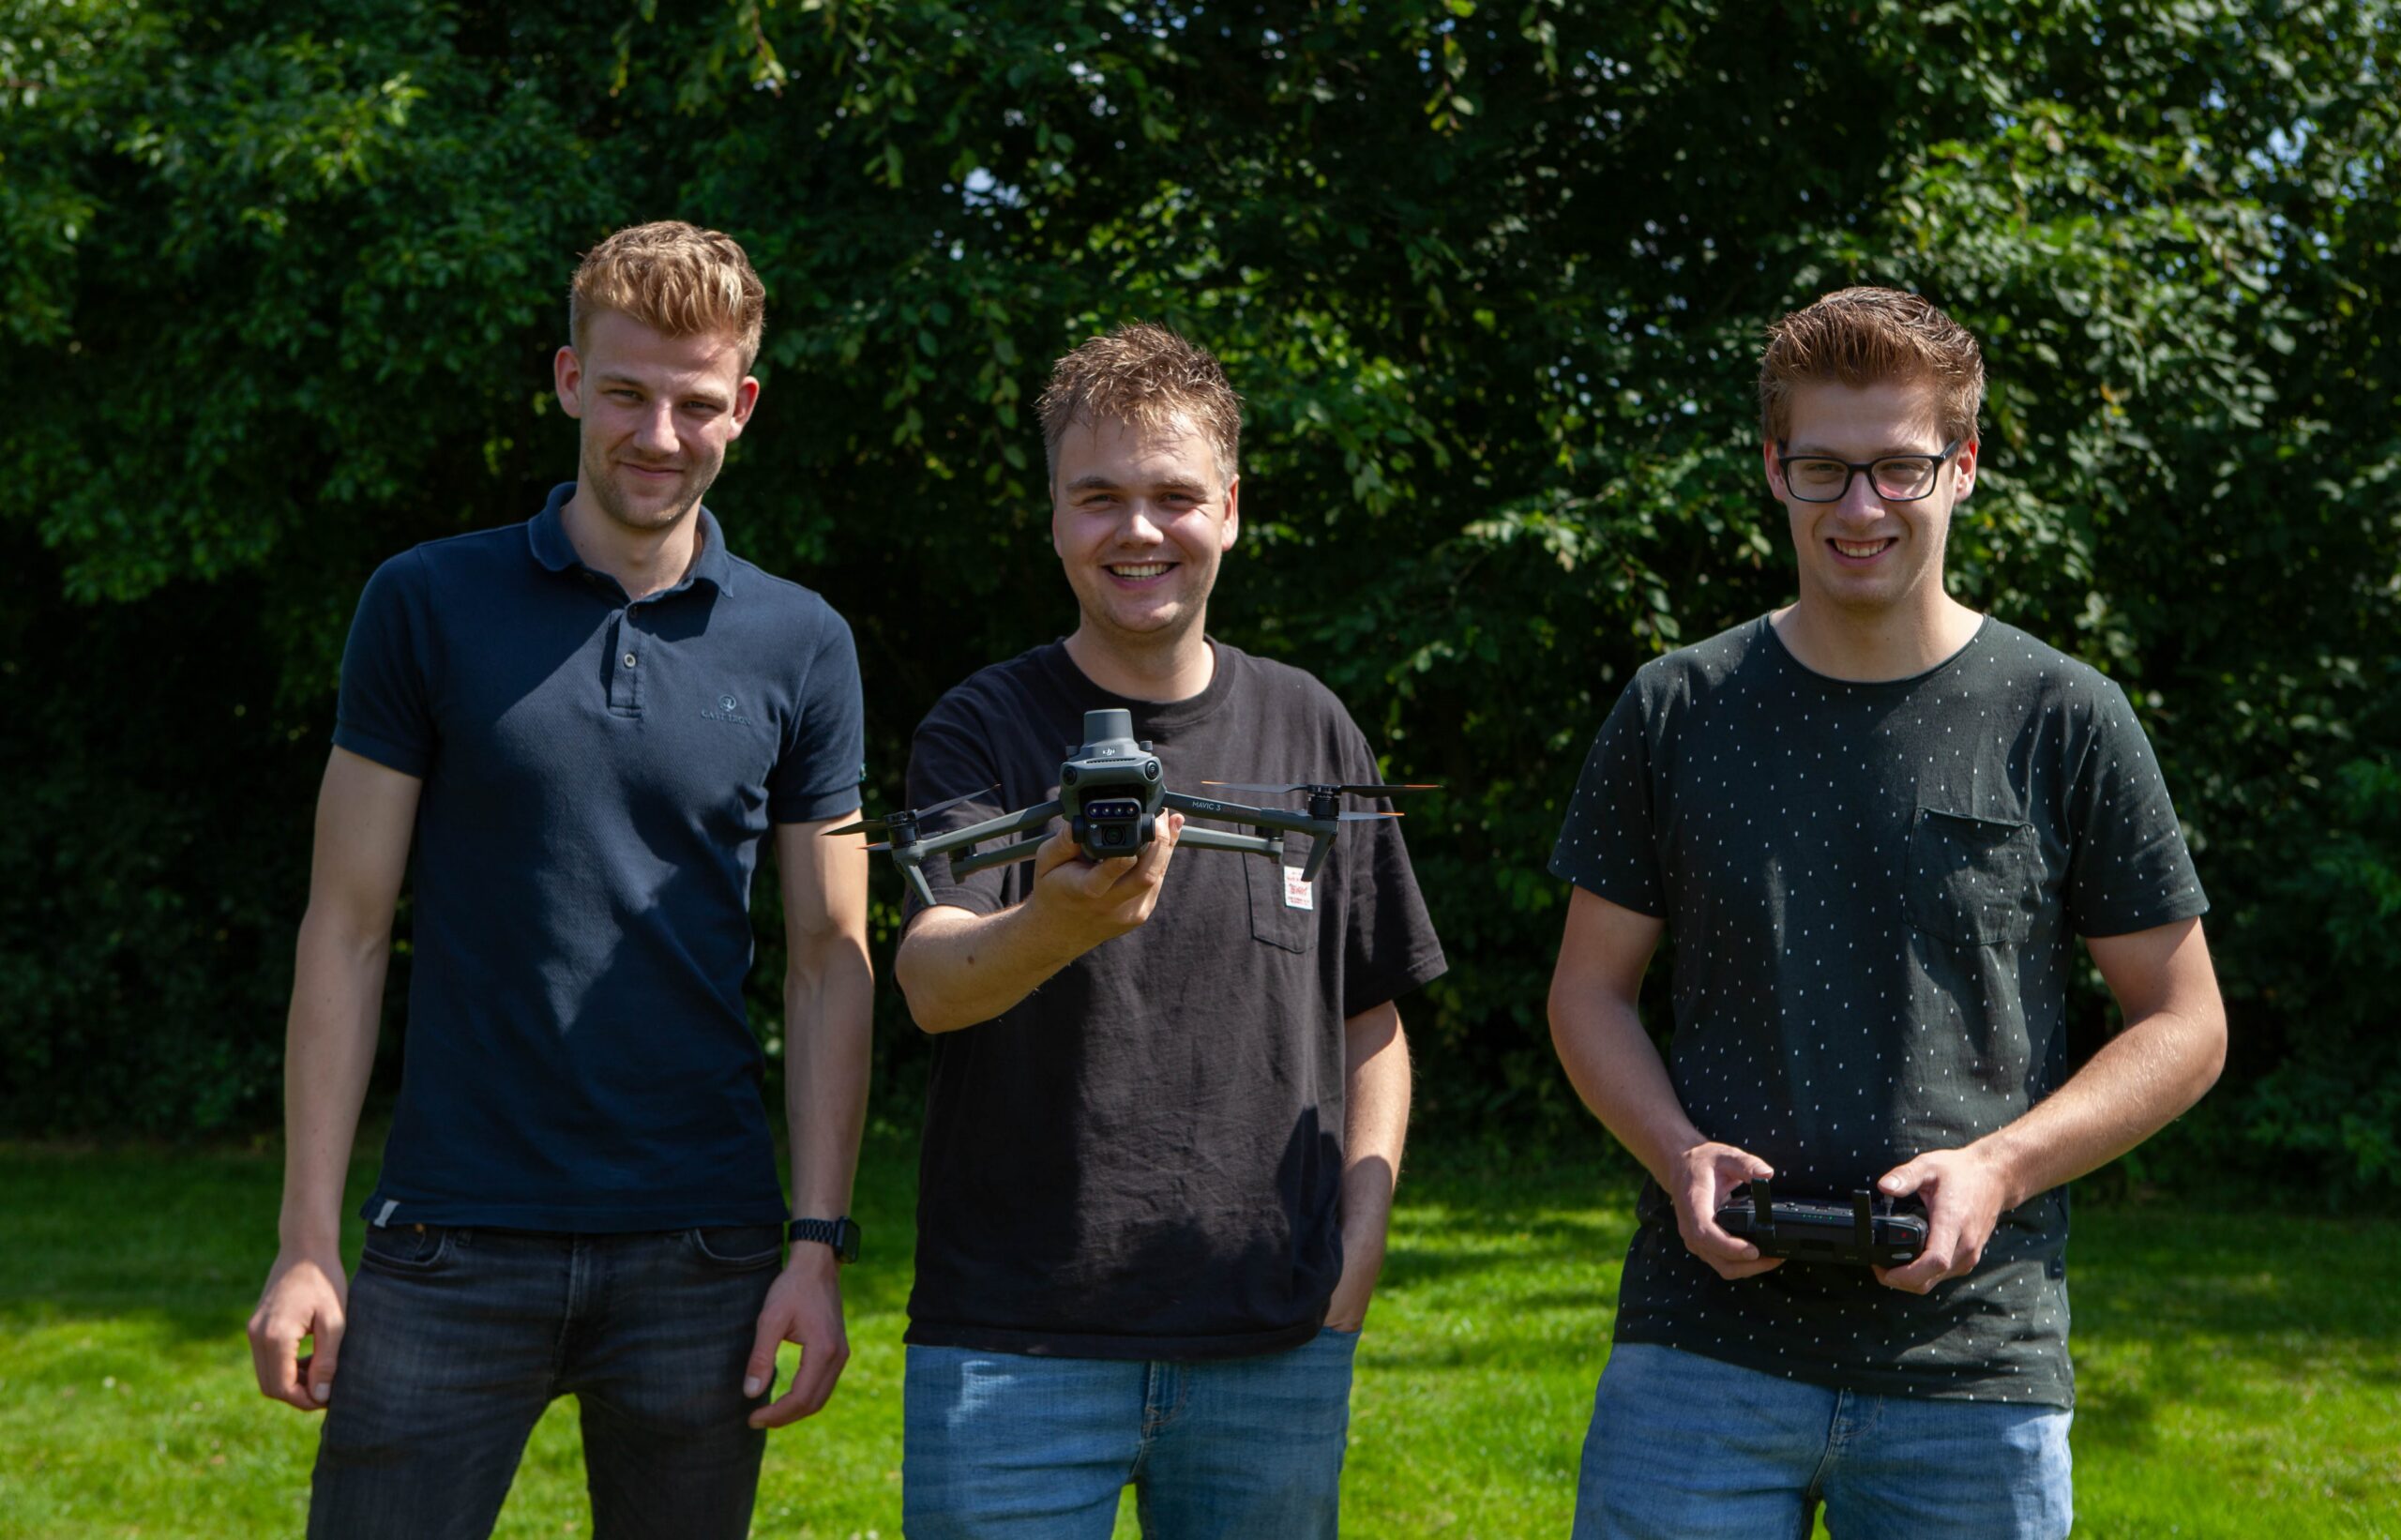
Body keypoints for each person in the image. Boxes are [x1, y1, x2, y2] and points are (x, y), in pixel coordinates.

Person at [1547, 286, 2227, 1538]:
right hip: (1699, 1347)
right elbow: (1588, 990)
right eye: (1824, 468)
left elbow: (2186, 1022)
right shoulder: (1678, 706)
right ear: (1775, 468)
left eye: (1900, 468)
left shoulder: (2064, 715)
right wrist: (1675, 1152)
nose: (1860, 507)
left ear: (1962, 467)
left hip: (1971, 1365)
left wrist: (2001, 1166)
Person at [243, 220, 873, 1539]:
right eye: (627, 393)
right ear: (570, 379)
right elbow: (345, 929)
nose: (660, 434)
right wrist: (307, 1240)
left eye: (696, 403)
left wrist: (816, 1245)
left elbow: (831, 957)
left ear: (744, 406)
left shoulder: (803, 642)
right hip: (450, 1232)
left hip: (703, 1244)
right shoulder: (425, 602)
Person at [888, 323, 1446, 1538]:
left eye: (1175, 496)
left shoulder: (1311, 728)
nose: (1138, 530)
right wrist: (1052, 925)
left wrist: (1357, 1254)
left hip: (1272, 1343)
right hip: (1015, 1347)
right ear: (1053, 516)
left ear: (1230, 509)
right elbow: (931, 980)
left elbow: (1372, 1017)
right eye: (1099, 497)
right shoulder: (981, 725)